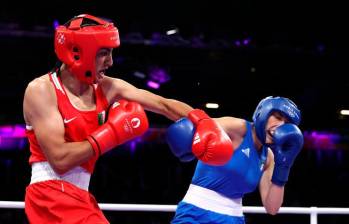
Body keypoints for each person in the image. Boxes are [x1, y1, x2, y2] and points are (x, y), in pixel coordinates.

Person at [23, 14, 233, 224]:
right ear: (79, 52)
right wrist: (112, 133)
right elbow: (60, 160)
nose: (110, 62)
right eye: (104, 53)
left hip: (79, 195)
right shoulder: (42, 90)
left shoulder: (107, 87)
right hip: (50, 195)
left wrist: (203, 121)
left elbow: (163, 104)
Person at [166, 96, 304, 224]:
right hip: (195, 212)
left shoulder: (269, 157)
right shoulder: (238, 128)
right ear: (263, 113)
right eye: (278, 117)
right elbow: (197, 120)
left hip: (233, 218)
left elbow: (272, 208)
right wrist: (154, 102)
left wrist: (284, 165)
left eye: (287, 123)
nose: (281, 126)